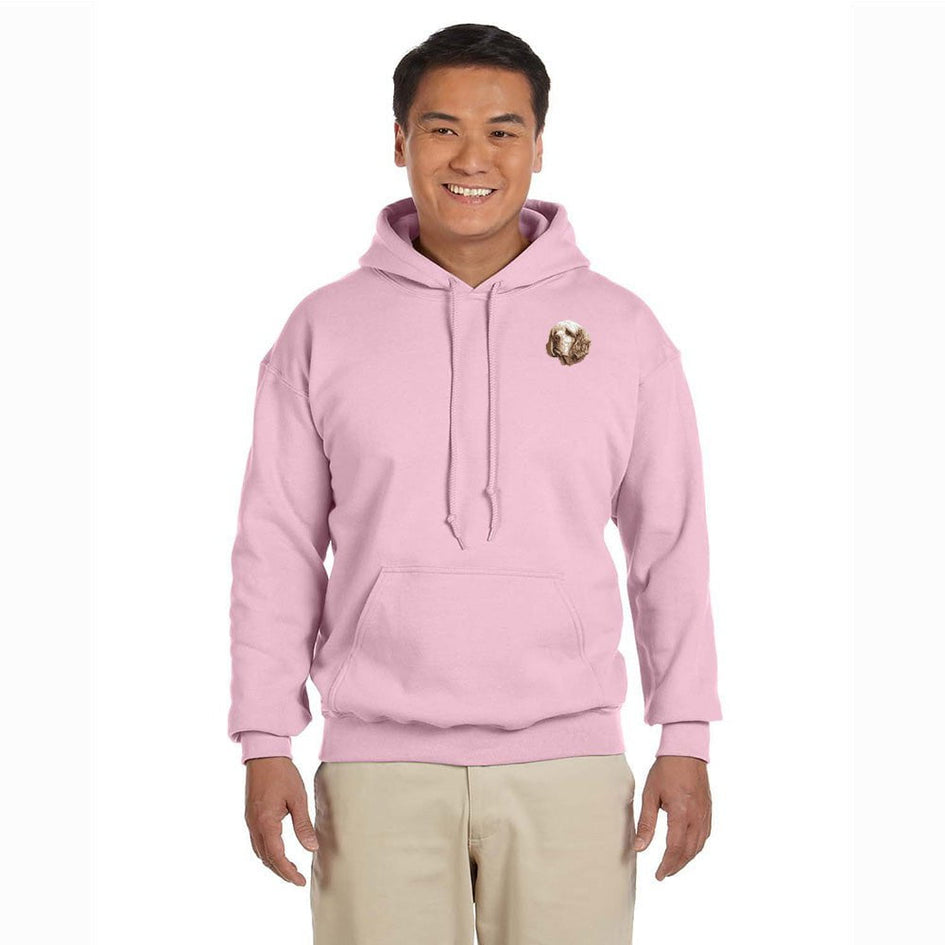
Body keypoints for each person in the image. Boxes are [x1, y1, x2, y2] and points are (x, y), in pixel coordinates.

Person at [228, 22, 723, 945]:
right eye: (442, 128)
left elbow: (670, 542)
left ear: (537, 146)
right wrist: (264, 740)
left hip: (571, 760)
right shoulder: (322, 329)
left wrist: (684, 733)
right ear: (399, 141)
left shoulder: (622, 329)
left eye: (501, 130)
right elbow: (277, 545)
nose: (471, 157)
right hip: (374, 769)